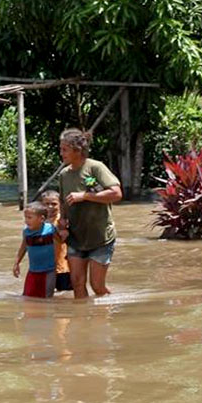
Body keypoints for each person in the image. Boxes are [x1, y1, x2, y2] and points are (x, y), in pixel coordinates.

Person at [58, 128, 122, 298]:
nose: (61, 153)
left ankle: (107, 315)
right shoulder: (64, 175)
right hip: (76, 237)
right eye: (61, 148)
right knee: (77, 285)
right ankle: (81, 323)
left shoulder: (95, 168)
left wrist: (85, 196)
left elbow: (116, 194)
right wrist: (62, 220)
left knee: (97, 286)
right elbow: (62, 201)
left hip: (100, 237)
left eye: (64, 149)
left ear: (77, 151)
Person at [11, 201, 61, 298]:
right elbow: (23, 247)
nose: (26, 221)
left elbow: (61, 241)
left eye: (29, 218)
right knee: (27, 296)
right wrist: (16, 263)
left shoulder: (50, 229)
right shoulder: (26, 232)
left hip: (49, 271)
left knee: (47, 297)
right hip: (33, 271)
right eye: (25, 217)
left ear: (41, 219)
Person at [38, 190, 73, 292]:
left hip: (63, 267)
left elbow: (65, 238)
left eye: (54, 204)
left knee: (65, 296)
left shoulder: (62, 221)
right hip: (45, 267)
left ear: (60, 205)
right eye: (46, 204)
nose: (50, 207)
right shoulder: (39, 221)